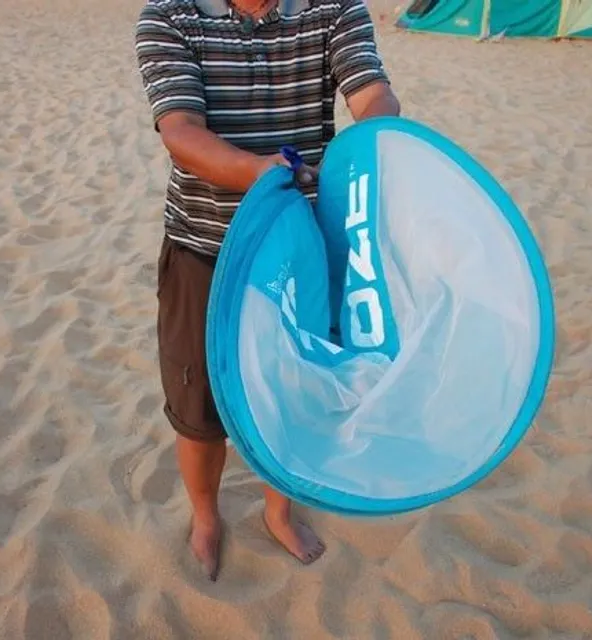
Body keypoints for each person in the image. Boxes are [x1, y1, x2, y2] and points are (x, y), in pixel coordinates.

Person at [135, 0, 400, 581]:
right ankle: (206, 516)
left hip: (302, 249)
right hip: (204, 248)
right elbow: (180, 132)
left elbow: (370, 90)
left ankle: (278, 509)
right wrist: (263, 174)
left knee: (294, 395)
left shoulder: (335, 8)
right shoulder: (171, 16)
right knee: (197, 404)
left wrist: (384, 135)